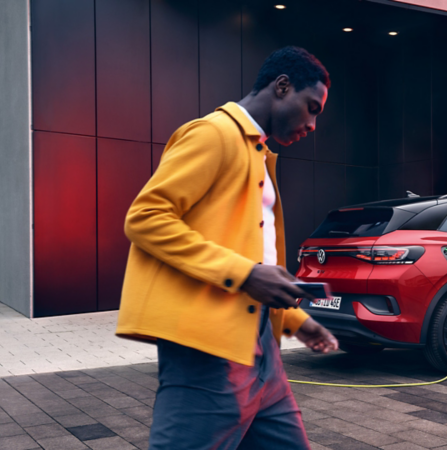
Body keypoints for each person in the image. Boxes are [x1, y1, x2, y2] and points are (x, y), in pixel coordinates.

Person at [116, 46, 338, 449]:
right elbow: (146, 217)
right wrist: (247, 273)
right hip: (207, 352)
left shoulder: (258, 155)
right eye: (312, 108)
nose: (313, 124)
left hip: (261, 351)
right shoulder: (212, 134)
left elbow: (255, 254)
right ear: (282, 87)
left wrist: (297, 322)